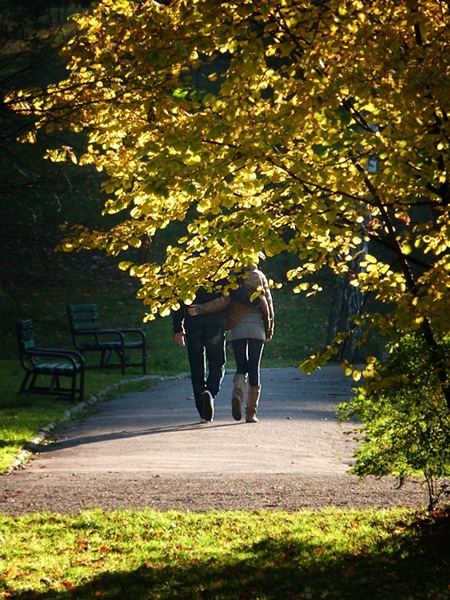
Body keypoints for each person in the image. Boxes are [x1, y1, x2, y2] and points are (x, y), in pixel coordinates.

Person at [190, 264, 274, 423]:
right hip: (257, 329)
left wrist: (203, 310)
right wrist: (269, 329)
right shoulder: (260, 276)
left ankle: (237, 394)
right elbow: (268, 303)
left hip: (237, 328)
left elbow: (224, 301)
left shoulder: (233, 278)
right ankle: (251, 413)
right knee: (254, 367)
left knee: (242, 366)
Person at [172, 287, 229, 423]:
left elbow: (178, 299)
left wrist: (178, 328)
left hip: (193, 324)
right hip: (214, 324)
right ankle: (210, 390)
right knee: (217, 364)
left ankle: (202, 411)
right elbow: (225, 298)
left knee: (196, 367)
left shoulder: (187, 271)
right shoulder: (219, 270)